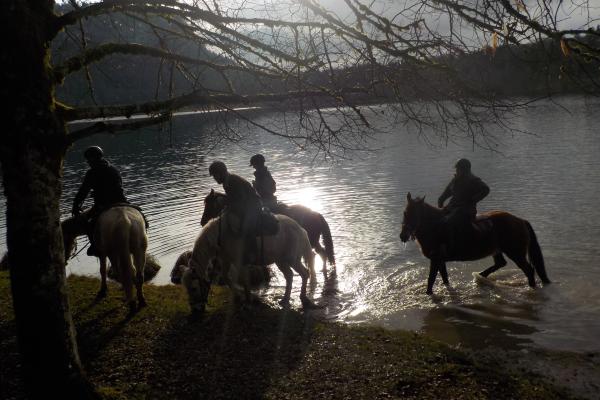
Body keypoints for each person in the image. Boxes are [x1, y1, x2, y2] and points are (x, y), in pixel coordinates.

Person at [71, 146, 128, 256]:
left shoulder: (92, 173)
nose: (88, 162)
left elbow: (83, 190)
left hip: (104, 204)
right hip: (122, 201)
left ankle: (95, 245)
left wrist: (76, 204)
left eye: (89, 159)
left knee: (89, 222)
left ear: (93, 159)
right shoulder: (113, 169)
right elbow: (118, 186)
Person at [208, 160, 262, 264]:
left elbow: (240, 200)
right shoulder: (227, 182)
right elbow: (234, 199)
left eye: (215, 176)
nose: (215, 179)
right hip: (245, 205)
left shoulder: (233, 181)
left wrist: (224, 201)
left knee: (246, 226)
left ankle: (252, 255)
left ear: (221, 173)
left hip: (253, 206)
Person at [437, 158, 490, 254]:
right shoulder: (455, 180)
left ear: (464, 169)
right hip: (452, 208)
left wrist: (472, 200)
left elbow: (486, 189)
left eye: (458, 169)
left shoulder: (473, 180)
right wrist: (441, 200)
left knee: (448, 221)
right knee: (436, 218)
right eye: (456, 169)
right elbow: (447, 192)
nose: (456, 171)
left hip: (466, 210)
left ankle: (451, 247)